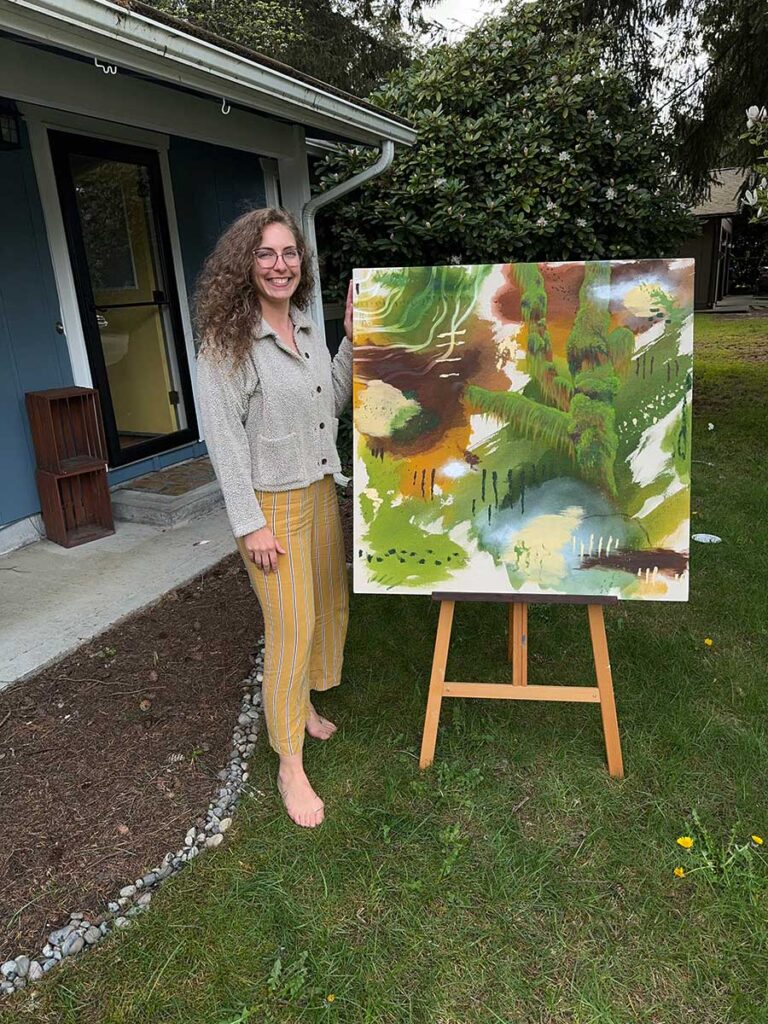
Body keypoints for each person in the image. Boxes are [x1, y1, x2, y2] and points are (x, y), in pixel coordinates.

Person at [194, 207, 353, 828]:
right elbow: (224, 440)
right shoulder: (227, 344)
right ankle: (290, 763)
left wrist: (352, 338)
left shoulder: (307, 333)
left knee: (321, 606)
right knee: (289, 627)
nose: (281, 265)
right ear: (245, 265)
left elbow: (332, 398)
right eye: (266, 254)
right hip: (271, 506)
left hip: (318, 490)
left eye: (290, 254)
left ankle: (304, 705)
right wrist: (250, 523)